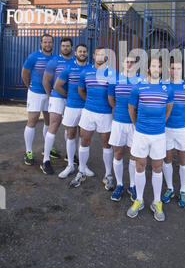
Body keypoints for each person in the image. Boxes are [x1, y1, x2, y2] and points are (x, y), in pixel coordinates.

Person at [127, 57, 174, 222]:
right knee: (140, 166)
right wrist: (137, 125)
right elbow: (131, 109)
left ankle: (157, 202)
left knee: (157, 167)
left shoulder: (167, 88)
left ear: (161, 70)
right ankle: (138, 200)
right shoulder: (138, 87)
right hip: (141, 133)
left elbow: (168, 108)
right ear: (148, 68)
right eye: (153, 65)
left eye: (159, 66)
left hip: (159, 134)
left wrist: (160, 123)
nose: (156, 69)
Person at [70, 46, 114, 188]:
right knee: (84, 141)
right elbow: (81, 90)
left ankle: (108, 175)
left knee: (106, 144)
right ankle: (81, 172)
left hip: (105, 114)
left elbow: (115, 95)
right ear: (93, 56)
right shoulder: (86, 72)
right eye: (98, 54)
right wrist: (90, 102)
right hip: (88, 112)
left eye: (103, 55)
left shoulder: (112, 73)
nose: (100, 57)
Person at [54, 44, 93, 179]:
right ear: (75, 53)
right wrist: (68, 96)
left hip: (86, 108)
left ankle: (83, 166)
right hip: (71, 107)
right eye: (80, 51)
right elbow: (57, 85)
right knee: (70, 134)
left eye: (84, 51)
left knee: (85, 137)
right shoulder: (68, 68)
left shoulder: (91, 68)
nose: (82, 53)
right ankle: (70, 165)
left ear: (87, 53)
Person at [161, 60, 185, 208]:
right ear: (169, 69)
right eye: (173, 68)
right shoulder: (163, 85)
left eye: (178, 68)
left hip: (182, 129)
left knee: (184, 160)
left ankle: (182, 190)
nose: (175, 70)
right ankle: (170, 188)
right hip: (166, 129)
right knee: (167, 159)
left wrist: (181, 120)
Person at [108, 55, 142, 202]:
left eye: (132, 62)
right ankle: (120, 184)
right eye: (127, 61)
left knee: (133, 154)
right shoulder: (115, 79)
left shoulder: (141, 80)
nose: (129, 64)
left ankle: (133, 186)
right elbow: (111, 99)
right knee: (118, 153)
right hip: (118, 122)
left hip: (135, 124)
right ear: (122, 63)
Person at [22, 34, 57, 166]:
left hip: (50, 94)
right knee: (33, 120)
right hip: (35, 93)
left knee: (49, 120)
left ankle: (47, 148)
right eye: (45, 42)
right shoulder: (33, 57)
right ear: (41, 43)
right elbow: (25, 73)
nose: (47, 44)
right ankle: (28, 151)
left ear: (53, 44)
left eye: (50, 42)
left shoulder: (55, 58)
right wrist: (30, 87)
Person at [41, 37, 74, 174]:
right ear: (60, 47)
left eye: (68, 46)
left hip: (71, 100)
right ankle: (46, 160)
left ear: (72, 48)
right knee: (53, 125)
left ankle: (70, 156)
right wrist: (51, 95)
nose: (66, 48)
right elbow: (45, 81)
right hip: (57, 98)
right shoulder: (54, 62)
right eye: (63, 46)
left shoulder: (75, 62)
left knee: (70, 128)